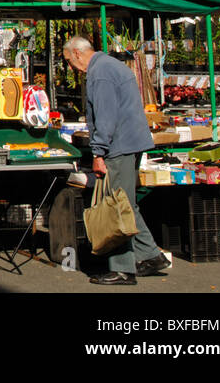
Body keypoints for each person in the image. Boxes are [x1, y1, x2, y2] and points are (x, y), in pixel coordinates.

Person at [63, 35, 167, 285]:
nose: (69, 67)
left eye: (68, 60)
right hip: (130, 141)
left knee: (116, 205)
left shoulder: (100, 73)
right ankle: (151, 255)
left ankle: (123, 269)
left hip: (118, 146)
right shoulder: (110, 65)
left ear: (77, 53)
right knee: (126, 203)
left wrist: (99, 153)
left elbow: (106, 115)